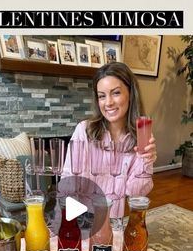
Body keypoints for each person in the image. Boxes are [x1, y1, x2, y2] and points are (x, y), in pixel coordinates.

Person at [59, 62, 157, 221]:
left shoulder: (140, 136)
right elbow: (68, 180)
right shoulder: (84, 131)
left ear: (131, 93)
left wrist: (145, 161)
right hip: (81, 220)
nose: (108, 102)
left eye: (116, 93)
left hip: (114, 223)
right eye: (102, 96)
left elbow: (135, 193)